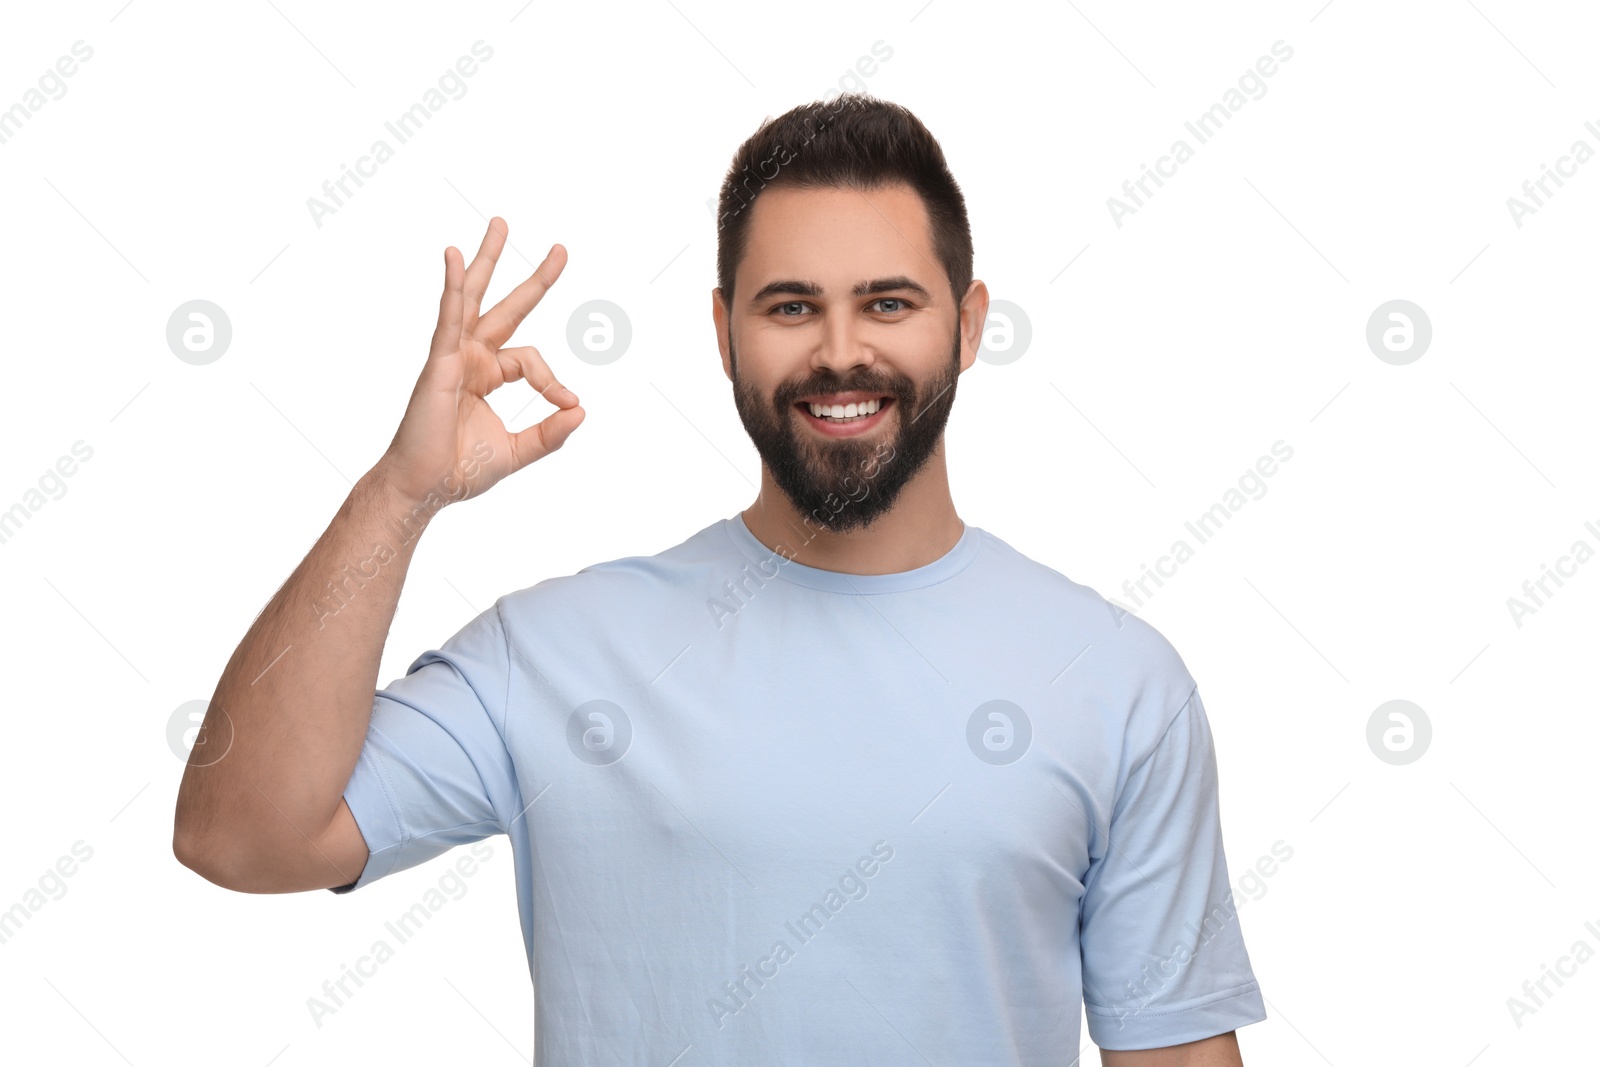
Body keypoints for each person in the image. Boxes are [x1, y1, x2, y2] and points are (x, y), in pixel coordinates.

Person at [174, 93, 1266, 1066]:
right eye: (790, 306)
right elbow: (241, 833)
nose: (841, 351)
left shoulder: (1117, 683)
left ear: (968, 324)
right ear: (722, 331)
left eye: (888, 302)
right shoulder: (554, 653)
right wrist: (399, 495)